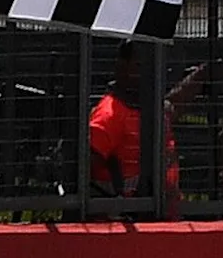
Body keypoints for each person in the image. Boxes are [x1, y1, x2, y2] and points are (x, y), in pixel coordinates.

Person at [87, 46, 205, 199]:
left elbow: (175, 103)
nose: (148, 72)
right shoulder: (110, 115)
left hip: (161, 207)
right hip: (128, 209)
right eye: (139, 65)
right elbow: (85, 168)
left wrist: (201, 75)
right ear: (122, 67)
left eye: (152, 64)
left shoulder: (148, 107)